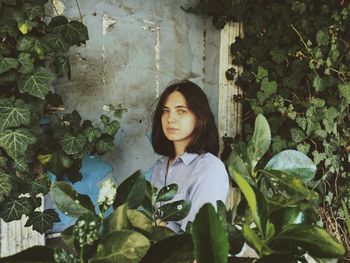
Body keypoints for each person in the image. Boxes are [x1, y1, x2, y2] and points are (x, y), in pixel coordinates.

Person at [147, 80, 229, 233]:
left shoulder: (208, 169)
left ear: (200, 117)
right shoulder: (160, 166)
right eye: (165, 111)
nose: (170, 118)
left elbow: (199, 239)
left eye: (181, 111)